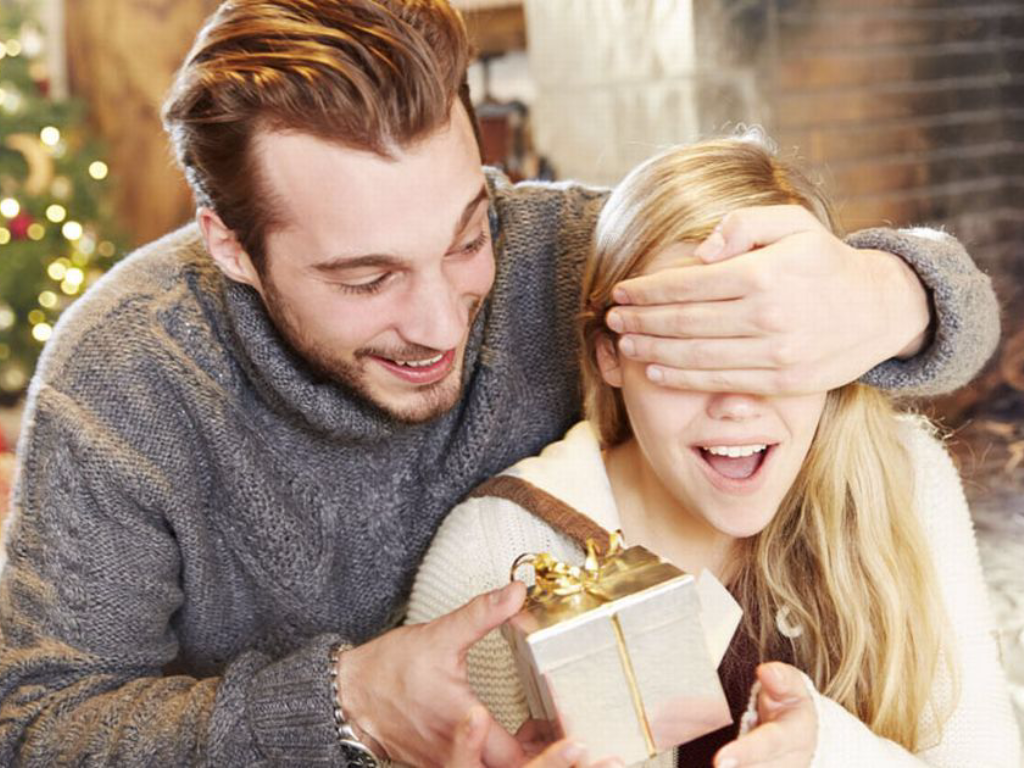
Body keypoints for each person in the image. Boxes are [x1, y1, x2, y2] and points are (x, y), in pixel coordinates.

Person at [0, 1, 1001, 766]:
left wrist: (888, 294)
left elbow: (953, 316)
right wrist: (345, 703)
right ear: (230, 245)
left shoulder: (562, 255)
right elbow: (37, 727)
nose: (443, 323)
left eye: (464, 236)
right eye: (366, 279)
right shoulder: (125, 380)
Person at [406, 136, 1021, 768]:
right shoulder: (493, 555)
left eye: (767, 348)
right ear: (609, 355)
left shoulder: (905, 478)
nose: (736, 404)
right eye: (689, 353)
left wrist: (825, 754)